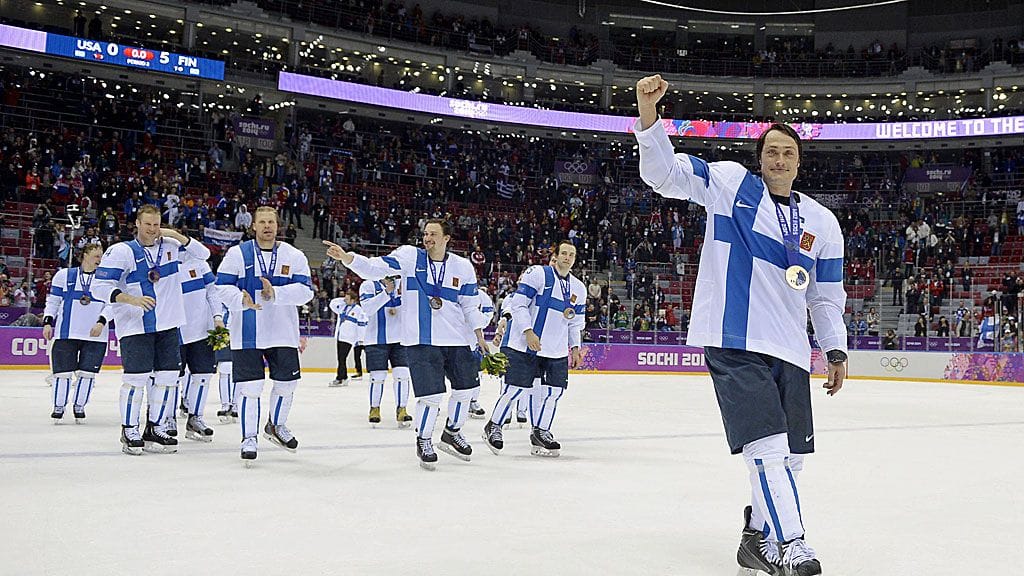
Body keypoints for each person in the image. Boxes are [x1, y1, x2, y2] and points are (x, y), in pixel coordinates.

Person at [634, 74, 848, 576]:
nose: (779, 160)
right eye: (771, 151)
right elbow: (664, 176)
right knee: (768, 448)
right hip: (734, 339)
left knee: (792, 456)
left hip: (791, 348)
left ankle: (756, 536)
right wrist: (649, 118)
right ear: (761, 157)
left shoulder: (822, 221)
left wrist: (834, 351)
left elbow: (826, 296)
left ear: (799, 161)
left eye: (788, 154)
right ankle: (793, 545)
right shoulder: (729, 184)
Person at [324, 219, 490, 471]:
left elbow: (469, 304)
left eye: (434, 234)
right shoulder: (409, 257)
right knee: (431, 396)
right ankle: (424, 439)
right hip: (420, 340)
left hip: (457, 339)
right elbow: (374, 268)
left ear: (447, 238)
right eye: (425, 233)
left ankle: (452, 431)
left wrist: (479, 335)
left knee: (467, 390)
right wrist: (348, 258)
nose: (428, 238)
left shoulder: (463, 266)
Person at [93, 205, 211, 455]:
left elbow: (203, 254)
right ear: (137, 223)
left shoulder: (171, 247)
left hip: (169, 325)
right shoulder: (121, 252)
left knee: (168, 379)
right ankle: (129, 429)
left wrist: (177, 236)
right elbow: (99, 286)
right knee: (136, 380)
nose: (152, 229)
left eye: (157, 224)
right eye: (147, 224)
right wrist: (128, 299)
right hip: (136, 326)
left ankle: (155, 427)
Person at [215, 206, 314, 463]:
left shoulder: (294, 255)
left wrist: (277, 294)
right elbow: (221, 286)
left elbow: (307, 291)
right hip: (247, 331)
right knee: (250, 388)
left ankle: (276, 425)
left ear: (278, 225)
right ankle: (249, 437)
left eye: (272, 221)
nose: (268, 226)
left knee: (287, 384)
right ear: (254, 226)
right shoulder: (237, 254)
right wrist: (240, 300)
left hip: (283, 332)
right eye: (263, 222)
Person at [483, 240, 586, 457]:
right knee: (516, 388)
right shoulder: (537, 274)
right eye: (564, 253)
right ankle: (494, 425)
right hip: (524, 346)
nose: (567, 257)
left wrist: (575, 347)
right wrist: (528, 331)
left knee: (553, 392)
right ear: (555, 256)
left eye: (572, 255)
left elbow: (576, 322)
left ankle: (541, 432)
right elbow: (519, 304)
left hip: (556, 350)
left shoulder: (579, 288)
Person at [42, 243, 110, 423]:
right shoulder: (64, 276)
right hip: (67, 334)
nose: (100, 260)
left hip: (96, 336)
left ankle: (79, 406)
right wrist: (48, 321)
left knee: (88, 374)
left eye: (101, 256)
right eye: (96, 256)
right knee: (62, 374)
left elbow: (113, 305)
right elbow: (53, 301)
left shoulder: (107, 280)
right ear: (85, 255)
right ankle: (58, 407)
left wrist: (102, 321)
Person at [173, 242, 224, 442]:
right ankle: (166, 419)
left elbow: (212, 292)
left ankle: (196, 418)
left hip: (202, 330)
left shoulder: (200, 264)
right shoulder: (162, 265)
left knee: (203, 376)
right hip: (174, 330)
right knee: (170, 378)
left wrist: (217, 317)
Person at [358, 275, 413, 426]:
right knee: (378, 376)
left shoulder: (405, 284)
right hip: (376, 339)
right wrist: (386, 293)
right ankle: (374, 408)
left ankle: (402, 409)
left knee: (402, 375)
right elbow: (368, 309)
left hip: (401, 339)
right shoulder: (368, 285)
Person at [467, 285, 496, 419]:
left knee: (476, 373)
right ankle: (436, 402)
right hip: (452, 338)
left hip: (474, 341)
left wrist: (473, 320)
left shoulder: (481, 296)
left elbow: (487, 314)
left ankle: (472, 401)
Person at [328, 289, 367, 388]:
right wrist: (344, 299)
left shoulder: (358, 310)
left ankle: (341, 378)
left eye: (347, 299)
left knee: (342, 358)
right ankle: (342, 377)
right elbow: (332, 304)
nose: (345, 300)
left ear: (353, 300)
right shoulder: (343, 307)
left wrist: (360, 339)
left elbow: (362, 325)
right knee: (341, 359)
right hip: (340, 336)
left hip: (349, 338)